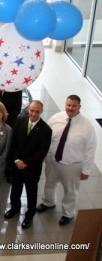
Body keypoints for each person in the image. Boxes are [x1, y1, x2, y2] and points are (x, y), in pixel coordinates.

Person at [37, 95, 97, 226]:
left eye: (74, 106)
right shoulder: (56, 118)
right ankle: (48, 202)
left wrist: (86, 170)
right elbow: (45, 136)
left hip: (72, 165)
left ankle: (67, 213)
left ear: (79, 107)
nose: (70, 108)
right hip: (52, 160)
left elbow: (90, 150)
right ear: (65, 104)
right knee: (50, 182)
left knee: (70, 191)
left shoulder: (87, 127)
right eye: (68, 105)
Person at [4, 101, 52, 229]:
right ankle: (14, 208)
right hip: (17, 164)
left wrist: (25, 162)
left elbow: (42, 152)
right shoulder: (20, 121)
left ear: (41, 111)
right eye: (31, 110)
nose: (33, 114)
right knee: (15, 189)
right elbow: (13, 143)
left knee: (31, 192)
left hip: (32, 168)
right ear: (28, 109)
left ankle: (29, 215)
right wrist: (16, 160)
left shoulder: (46, 130)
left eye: (37, 111)